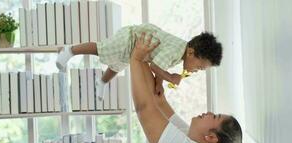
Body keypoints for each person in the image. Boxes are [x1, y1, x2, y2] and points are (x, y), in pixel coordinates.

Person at [103, 32, 248, 143]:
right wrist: (142, 55)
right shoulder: (188, 135)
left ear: (211, 137)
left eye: (214, 116)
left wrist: (135, 59)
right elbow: (157, 100)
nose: (208, 112)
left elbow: (144, 108)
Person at [56, 23, 223, 100]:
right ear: (191, 52)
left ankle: (102, 82)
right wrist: (170, 78)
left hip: (137, 49)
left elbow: (160, 65)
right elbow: (155, 66)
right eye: (199, 67)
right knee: (104, 48)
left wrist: (159, 84)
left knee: (117, 65)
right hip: (131, 38)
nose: (195, 71)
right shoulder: (177, 51)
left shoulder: (180, 55)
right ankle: (70, 50)